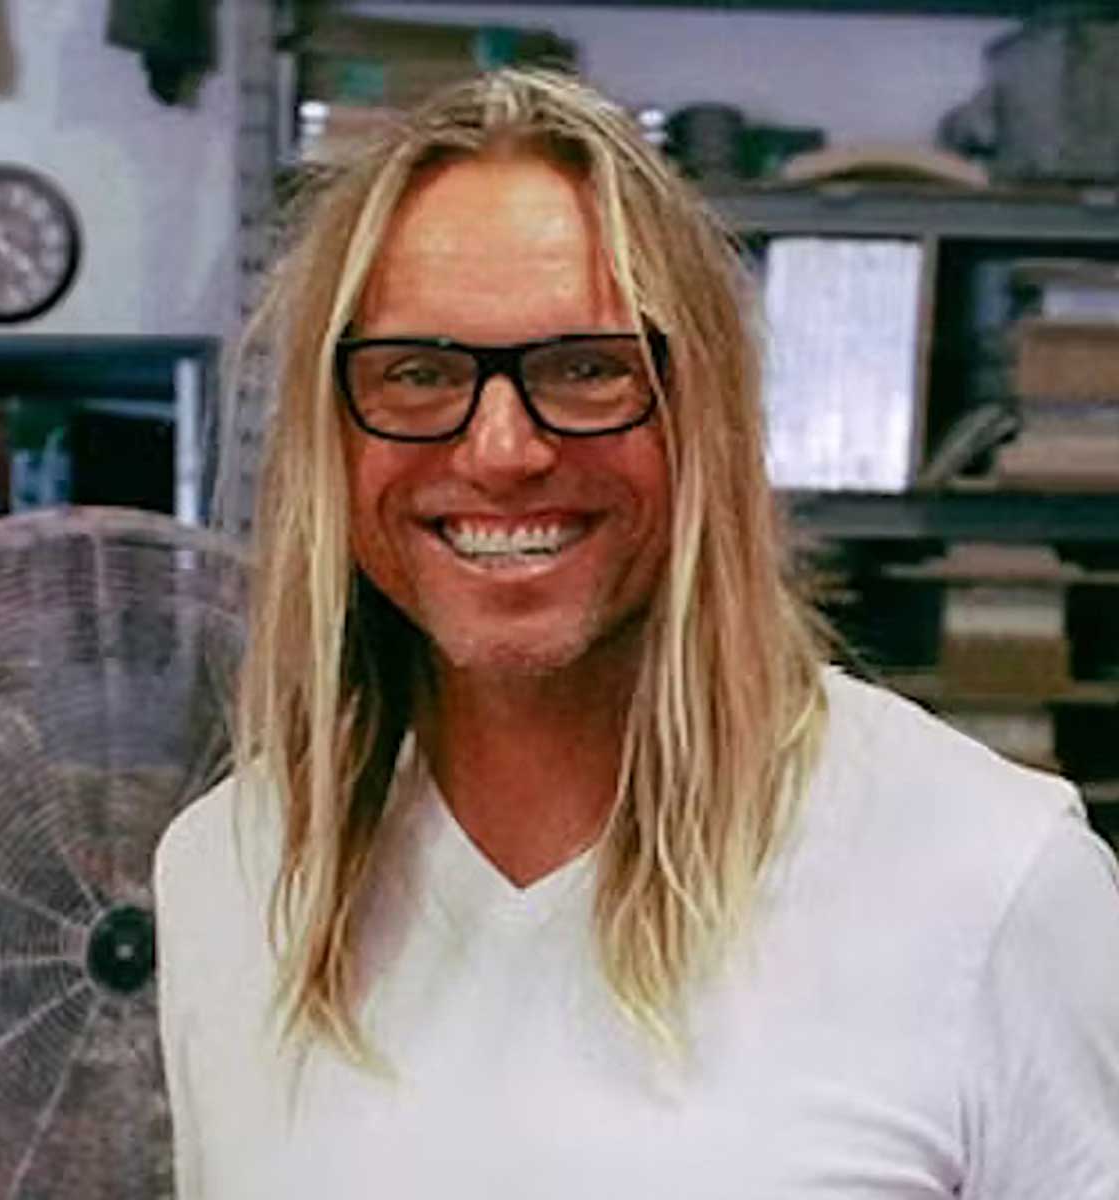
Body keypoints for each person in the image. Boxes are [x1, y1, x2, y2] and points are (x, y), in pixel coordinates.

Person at [154, 69, 1119, 1198]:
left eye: (587, 369)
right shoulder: (229, 874)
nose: (502, 450)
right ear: (331, 433)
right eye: (417, 372)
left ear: (704, 415)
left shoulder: (993, 876)